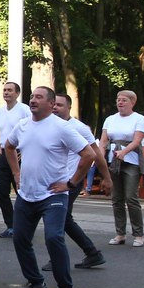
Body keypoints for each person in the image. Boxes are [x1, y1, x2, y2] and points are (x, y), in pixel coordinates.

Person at [5, 86, 95, 288]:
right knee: (20, 239)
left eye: (39, 97)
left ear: (51, 104)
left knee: (54, 237)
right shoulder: (23, 125)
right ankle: (36, 284)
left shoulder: (61, 128)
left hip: (53, 194)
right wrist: (16, 173)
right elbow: (8, 147)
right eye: (32, 96)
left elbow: (89, 154)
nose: (33, 100)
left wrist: (72, 183)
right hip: (26, 194)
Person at [46, 93, 112, 270]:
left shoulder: (79, 128)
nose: (55, 108)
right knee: (63, 219)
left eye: (60, 105)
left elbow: (96, 154)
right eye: (54, 105)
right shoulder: (47, 125)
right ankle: (92, 253)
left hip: (71, 181)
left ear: (69, 108)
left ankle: (59, 259)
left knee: (59, 218)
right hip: (52, 180)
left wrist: (106, 178)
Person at [98, 90, 144, 247]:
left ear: (132, 102)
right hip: (113, 160)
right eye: (118, 100)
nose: (120, 102)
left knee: (131, 197)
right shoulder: (110, 119)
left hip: (131, 160)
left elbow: (137, 141)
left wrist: (124, 152)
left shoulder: (138, 119)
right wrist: (100, 158)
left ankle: (138, 234)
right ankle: (120, 233)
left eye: (124, 100)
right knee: (116, 198)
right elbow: (103, 141)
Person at [0, 81, 30, 238]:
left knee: (21, 191)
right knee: (0, 191)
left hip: (20, 154)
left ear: (17, 93)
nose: (6, 92)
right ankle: (11, 225)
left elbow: (32, 129)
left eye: (9, 90)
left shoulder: (24, 110)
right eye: (4, 90)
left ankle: (26, 226)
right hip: (4, 155)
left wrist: (25, 148)